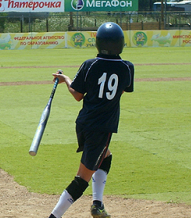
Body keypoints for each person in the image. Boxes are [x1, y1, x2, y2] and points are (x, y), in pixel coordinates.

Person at [48, 22, 134, 218]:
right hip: (101, 128)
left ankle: (97, 204)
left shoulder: (90, 64)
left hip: (85, 123)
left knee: (106, 157)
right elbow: (120, 92)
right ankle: (54, 216)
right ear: (120, 43)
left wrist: (66, 80)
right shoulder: (127, 68)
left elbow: (77, 95)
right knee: (82, 179)